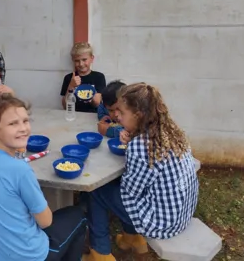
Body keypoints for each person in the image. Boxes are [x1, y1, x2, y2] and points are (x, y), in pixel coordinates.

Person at [83, 83, 199, 260]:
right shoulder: (172, 132)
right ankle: (132, 239)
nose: (117, 117)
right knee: (115, 188)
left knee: (97, 191)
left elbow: (130, 192)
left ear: (138, 115)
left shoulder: (140, 146)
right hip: (182, 215)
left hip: (161, 224)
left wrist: (131, 145)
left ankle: (100, 254)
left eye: (121, 112)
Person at [0, 94, 87, 261]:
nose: (23, 128)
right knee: (78, 216)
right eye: (13, 123)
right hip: (27, 255)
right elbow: (46, 222)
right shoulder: (20, 170)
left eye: (25, 121)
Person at [59, 42, 106, 113]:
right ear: (73, 60)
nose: (81, 64)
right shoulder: (69, 78)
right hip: (74, 115)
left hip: (93, 116)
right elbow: (65, 106)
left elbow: (97, 103)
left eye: (84, 60)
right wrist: (71, 86)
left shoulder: (99, 77)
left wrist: (92, 98)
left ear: (92, 58)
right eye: (77, 61)